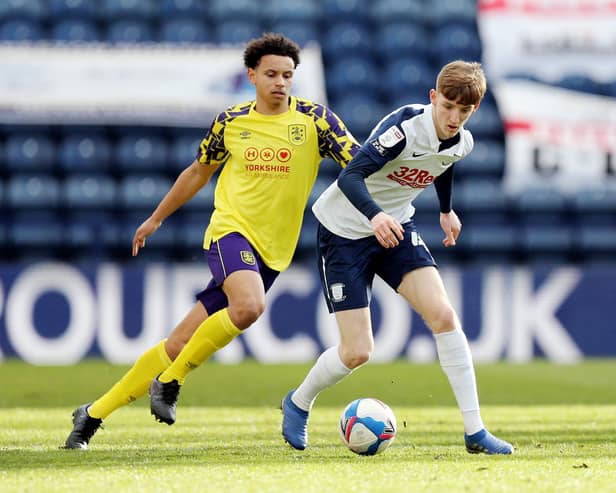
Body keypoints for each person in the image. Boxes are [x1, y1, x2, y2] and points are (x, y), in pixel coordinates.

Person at [63, 33, 360, 449]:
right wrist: (155, 218)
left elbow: (360, 164)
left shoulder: (316, 121)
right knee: (250, 306)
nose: (280, 82)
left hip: (273, 250)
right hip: (230, 231)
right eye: (271, 74)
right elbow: (198, 172)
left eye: (288, 75)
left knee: (179, 342)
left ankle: (91, 415)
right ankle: (171, 380)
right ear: (252, 75)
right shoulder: (231, 122)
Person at [281, 60, 514, 455]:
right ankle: (298, 402)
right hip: (345, 231)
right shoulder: (404, 129)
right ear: (433, 98)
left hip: (395, 228)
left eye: (464, 111)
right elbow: (349, 176)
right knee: (357, 352)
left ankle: (475, 431)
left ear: (474, 110)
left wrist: (445, 210)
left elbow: (443, 162)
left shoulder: (463, 141)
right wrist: (375, 216)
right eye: (448, 107)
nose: (454, 117)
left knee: (443, 316)